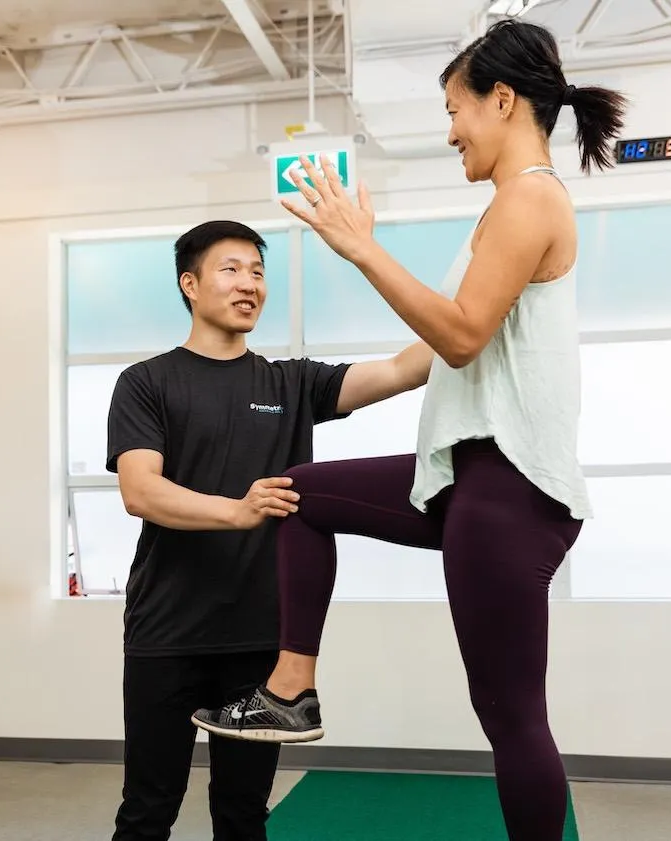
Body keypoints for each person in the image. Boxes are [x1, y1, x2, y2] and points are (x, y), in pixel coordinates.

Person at [191, 19, 628, 841]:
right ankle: (290, 690)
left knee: (510, 715)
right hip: (464, 477)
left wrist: (364, 250)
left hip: (509, 488)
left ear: (503, 101)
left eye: (456, 110)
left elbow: (460, 333)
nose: (451, 130)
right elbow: (433, 351)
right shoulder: (507, 207)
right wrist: (341, 378)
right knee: (301, 493)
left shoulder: (530, 195)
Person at [106, 219, 435, 841]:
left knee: (243, 811)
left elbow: (400, 369)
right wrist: (238, 509)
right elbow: (139, 490)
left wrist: (486, 303)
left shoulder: (292, 383)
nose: (249, 284)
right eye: (230, 269)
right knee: (148, 808)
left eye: (258, 272)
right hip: (166, 631)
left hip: (261, 639)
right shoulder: (146, 382)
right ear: (190, 284)